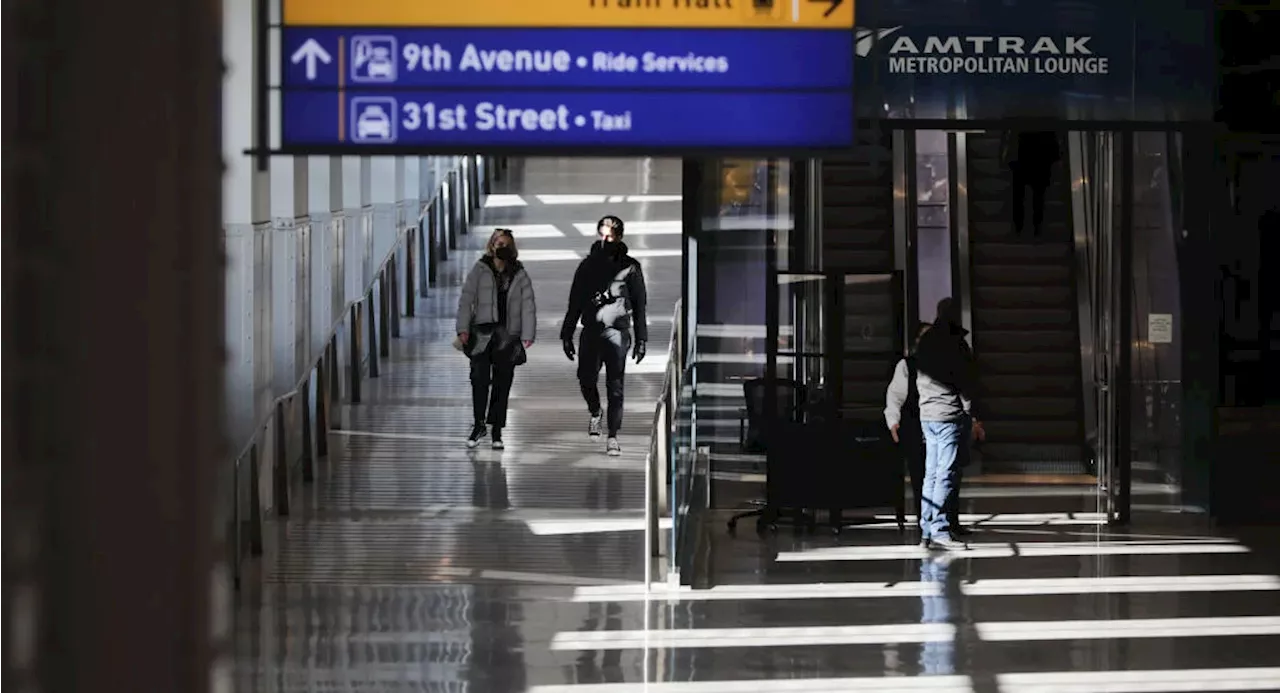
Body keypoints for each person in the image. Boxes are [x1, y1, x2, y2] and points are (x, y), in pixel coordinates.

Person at [560, 215, 648, 456]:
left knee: (616, 385)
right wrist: (567, 332)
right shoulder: (587, 266)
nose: (604, 239)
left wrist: (641, 339)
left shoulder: (631, 267)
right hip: (590, 330)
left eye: (609, 235)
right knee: (585, 378)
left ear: (619, 236)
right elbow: (575, 300)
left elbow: (640, 304)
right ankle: (595, 411)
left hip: (618, 333)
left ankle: (613, 436)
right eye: (601, 234)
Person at [912, 298, 985, 550]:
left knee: (930, 474)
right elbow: (965, 379)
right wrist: (969, 412)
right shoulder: (954, 343)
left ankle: (925, 528)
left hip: (927, 413)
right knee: (946, 474)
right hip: (948, 414)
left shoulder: (926, 340)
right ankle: (940, 530)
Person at [456, 228, 536, 450]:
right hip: (481, 333)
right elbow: (466, 299)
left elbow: (528, 304)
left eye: (506, 244)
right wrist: (462, 329)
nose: (502, 247)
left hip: (508, 335)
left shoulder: (519, 273)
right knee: (479, 379)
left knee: (503, 382)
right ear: (491, 245)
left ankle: (497, 429)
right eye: (498, 243)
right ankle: (479, 424)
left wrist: (528, 333)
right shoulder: (480, 269)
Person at [885, 322, 932, 522]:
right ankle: (925, 518)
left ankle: (946, 520)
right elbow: (895, 396)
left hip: (940, 421)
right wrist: (893, 420)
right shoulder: (907, 365)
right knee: (919, 473)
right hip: (915, 424)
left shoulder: (945, 363)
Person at [1002, 129, 1061, 240]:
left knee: (1018, 196)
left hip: (1021, 154)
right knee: (1038, 196)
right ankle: (1036, 227)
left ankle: (1019, 227)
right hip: (1040, 157)